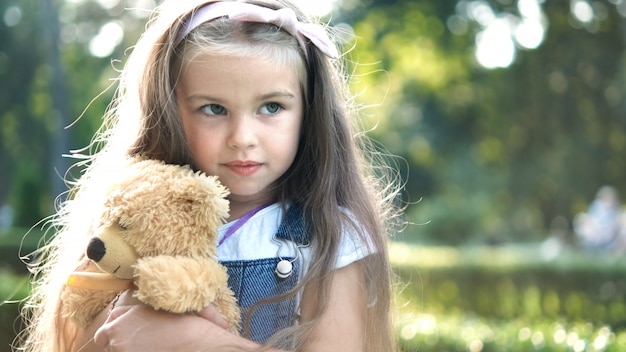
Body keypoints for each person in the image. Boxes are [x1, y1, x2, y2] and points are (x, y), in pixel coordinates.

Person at [16, 0, 403, 351]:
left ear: (308, 112)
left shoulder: (330, 236)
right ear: (170, 112)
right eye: (214, 109)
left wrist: (193, 340)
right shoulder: (138, 217)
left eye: (271, 107)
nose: (242, 139)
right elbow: (78, 338)